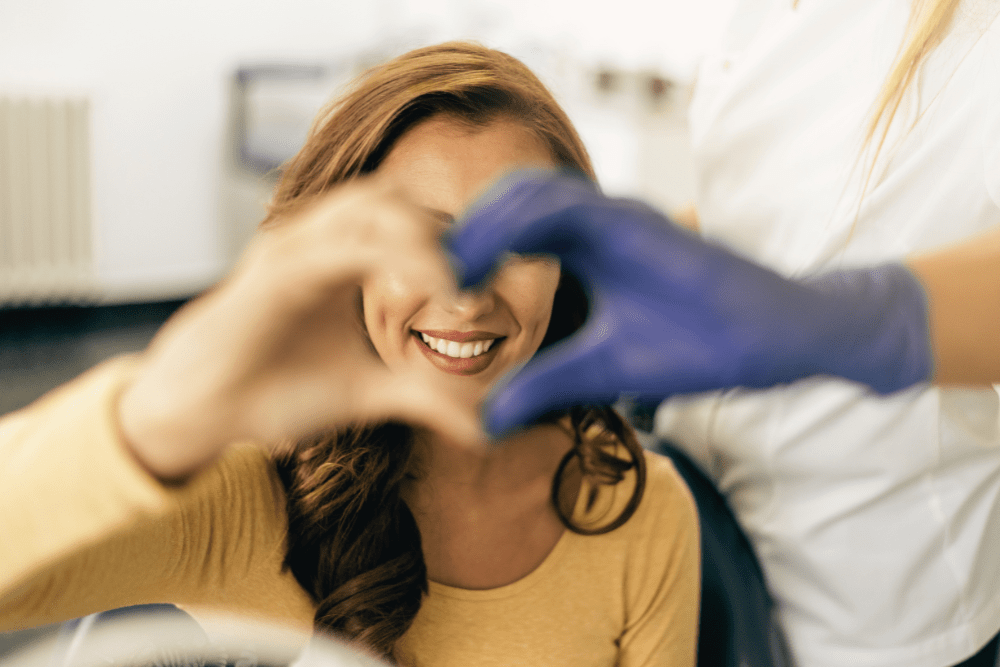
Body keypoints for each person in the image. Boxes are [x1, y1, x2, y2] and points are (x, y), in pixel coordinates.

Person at [0, 43, 700, 666]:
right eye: (423, 238)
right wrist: (160, 409)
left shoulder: (635, 507)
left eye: (521, 241)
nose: (466, 298)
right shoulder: (255, 495)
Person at [447, 1, 1000, 666]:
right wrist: (619, 262)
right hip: (708, 540)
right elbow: (785, 211)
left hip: (873, 603)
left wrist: (845, 319)